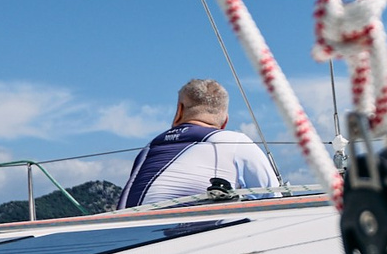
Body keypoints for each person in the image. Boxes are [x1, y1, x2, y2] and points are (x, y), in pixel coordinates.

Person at [118, 78, 281, 209]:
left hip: (122, 238)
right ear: (224, 122)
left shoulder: (149, 149)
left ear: (179, 111)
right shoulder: (234, 141)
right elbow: (274, 202)